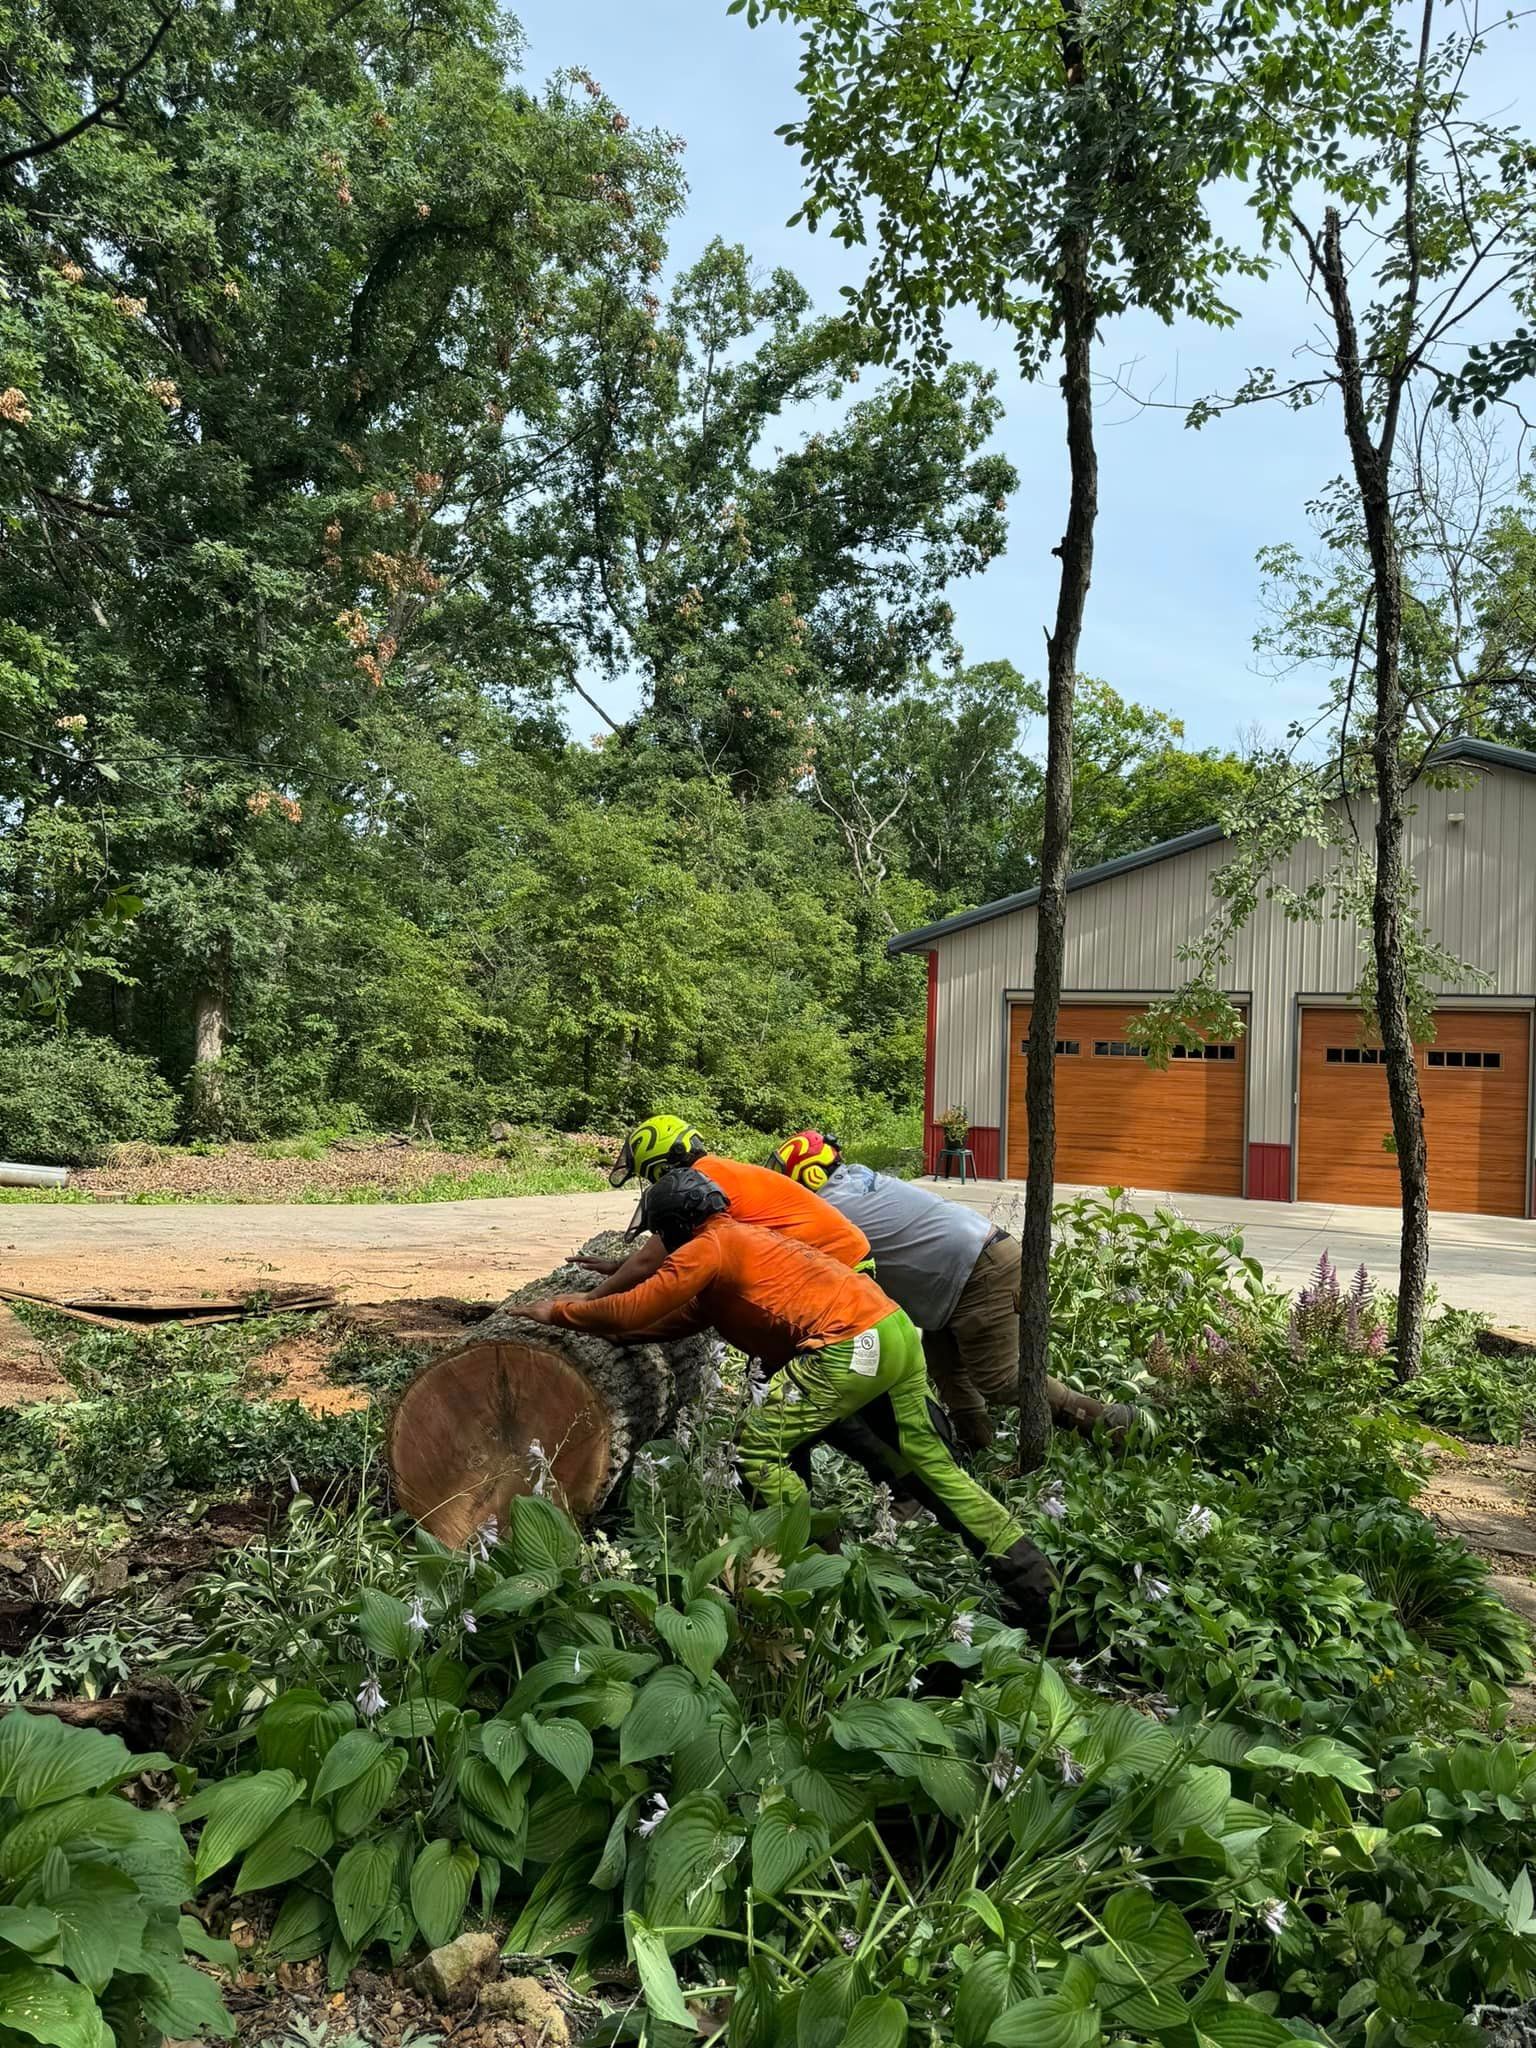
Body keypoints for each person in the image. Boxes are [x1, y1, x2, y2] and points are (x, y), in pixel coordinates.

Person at [519, 1168, 1076, 1644]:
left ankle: (815, 1571)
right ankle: (1044, 1600)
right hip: (892, 1333)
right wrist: (623, 1336)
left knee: (758, 1451)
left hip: (849, 1347)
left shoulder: (712, 1245)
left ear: (674, 1226)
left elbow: (632, 1305)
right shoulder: (737, 1245)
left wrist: (559, 1313)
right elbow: (677, 1318)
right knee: (936, 1472)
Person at [769, 1130, 1135, 1454]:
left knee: (1001, 1379)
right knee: (945, 1362)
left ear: (808, 1173)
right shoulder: (856, 1182)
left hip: (976, 1272)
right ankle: (975, 1443)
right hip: (968, 1268)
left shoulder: (829, 1209)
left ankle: (1109, 1424)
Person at [579, 1114, 870, 1298]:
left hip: (836, 1262)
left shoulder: (702, 1181)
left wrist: (591, 1299)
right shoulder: (713, 1170)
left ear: (663, 1164)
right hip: (842, 1255)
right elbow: (664, 1252)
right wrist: (618, 1266)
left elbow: (650, 1261)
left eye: (650, 1174)